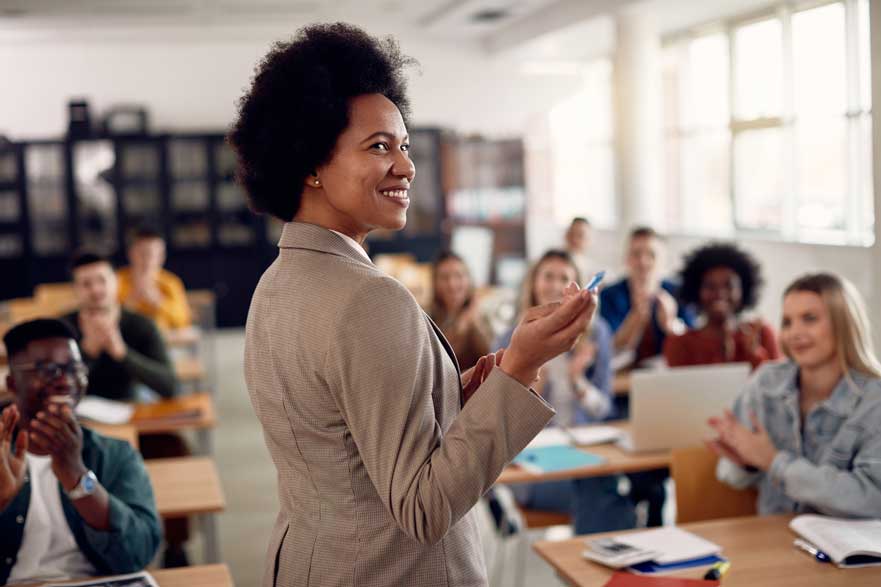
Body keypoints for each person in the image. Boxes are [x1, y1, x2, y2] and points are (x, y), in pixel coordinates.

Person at [229, 23, 598, 586]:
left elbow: (343, 440)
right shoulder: (371, 299)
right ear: (309, 163)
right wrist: (522, 369)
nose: (406, 166)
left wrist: (464, 388)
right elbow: (422, 508)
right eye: (379, 147)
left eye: (403, 145)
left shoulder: (276, 284)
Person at [0, 319, 161, 584]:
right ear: (13, 383)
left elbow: (138, 554)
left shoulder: (115, 454)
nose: (65, 382)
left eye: (74, 369)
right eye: (48, 369)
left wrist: (77, 477)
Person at [709, 273, 881, 518]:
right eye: (787, 322)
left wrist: (774, 462)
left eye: (809, 319)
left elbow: (872, 499)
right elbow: (728, 475)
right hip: (774, 538)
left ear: (844, 324)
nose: (794, 333)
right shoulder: (765, 382)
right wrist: (746, 462)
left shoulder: (874, 400)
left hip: (846, 550)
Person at [495, 250, 635, 534]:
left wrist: (578, 382)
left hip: (583, 454)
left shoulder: (597, 335)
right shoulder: (509, 338)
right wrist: (533, 384)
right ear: (534, 282)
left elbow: (605, 410)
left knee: (605, 489)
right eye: (548, 276)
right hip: (531, 463)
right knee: (608, 498)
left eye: (565, 278)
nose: (556, 285)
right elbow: (498, 417)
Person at [63, 251, 188, 567]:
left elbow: (170, 385)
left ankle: (175, 544)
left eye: (101, 280)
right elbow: (55, 392)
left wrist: (122, 353)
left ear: (114, 283)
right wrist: (88, 352)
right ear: (76, 290)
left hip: (133, 418)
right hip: (79, 431)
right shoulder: (63, 331)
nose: (95, 290)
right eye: (85, 284)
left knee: (174, 449)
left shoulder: (140, 325)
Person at [599, 227, 695, 527]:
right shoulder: (613, 294)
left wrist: (671, 323)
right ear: (627, 259)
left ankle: (652, 493)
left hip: (667, 392)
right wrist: (636, 319)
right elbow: (609, 353)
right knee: (635, 436)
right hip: (622, 393)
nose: (642, 262)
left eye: (650, 255)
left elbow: (690, 350)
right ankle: (648, 494)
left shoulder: (676, 293)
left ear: (662, 261)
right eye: (636, 254)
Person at [664, 243, 781, 369]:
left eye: (729, 286)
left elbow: (778, 384)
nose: (720, 293)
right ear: (696, 291)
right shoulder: (679, 344)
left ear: (743, 290)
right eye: (710, 286)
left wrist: (755, 353)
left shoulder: (761, 334)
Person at [117, 225, 192, 331]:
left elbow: (183, 320)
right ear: (131, 253)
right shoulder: (117, 281)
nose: (147, 259)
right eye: (142, 253)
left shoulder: (170, 283)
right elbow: (109, 320)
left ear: (162, 257)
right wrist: (132, 301)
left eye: (153, 254)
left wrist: (159, 302)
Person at [429, 251, 491, 371]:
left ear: (469, 280)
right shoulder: (428, 319)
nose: (452, 284)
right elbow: (437, 363)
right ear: (435, 282)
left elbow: (492, 356)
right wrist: (463, 324)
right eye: (444, 277)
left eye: (458, 276)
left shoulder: (483, 315)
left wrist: (474, 321)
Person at [564, 217, 594, 282]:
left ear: (589, 239)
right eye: (571, 233)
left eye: (580, 235)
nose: (574, 239)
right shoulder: (549, 261)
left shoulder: (590, 270)